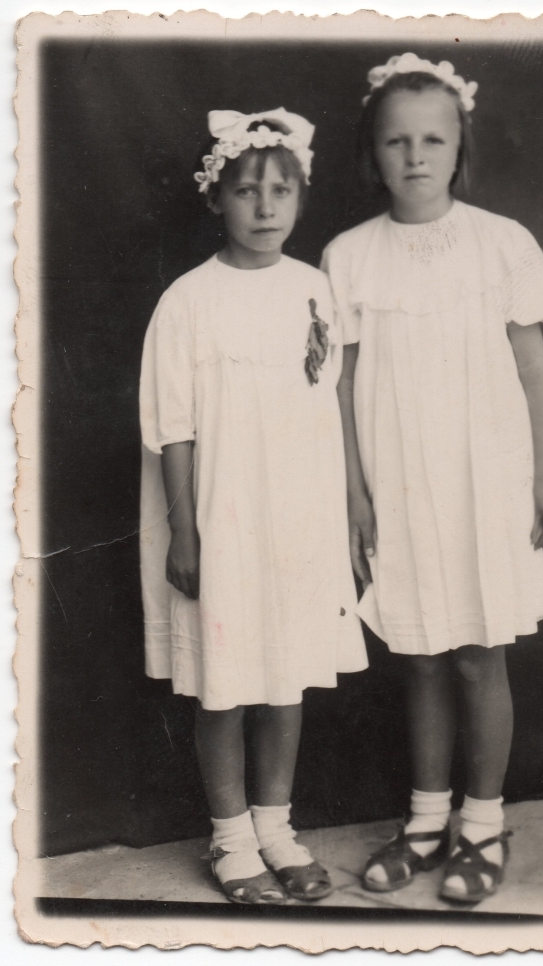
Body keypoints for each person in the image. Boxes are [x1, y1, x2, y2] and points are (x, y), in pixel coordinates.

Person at [322, 53, 543, 904]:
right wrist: (352, 491)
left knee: (476, 653)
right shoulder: (348, 256)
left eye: (432, 138)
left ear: (459, 146)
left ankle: (483, 821)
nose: (415, 156)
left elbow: (532, 365)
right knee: (419, 654)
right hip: (396, 478)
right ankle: (426, 819)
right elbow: (342, 382)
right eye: (397, 141)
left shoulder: (502, 243)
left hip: (483, 475)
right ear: (374, 153)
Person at [139, 108, 367, 905]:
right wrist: (185, 530)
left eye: (280, 191)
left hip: (297, 518)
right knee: (226, 683)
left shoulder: (314, 290)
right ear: (216, 200)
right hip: (221, 517)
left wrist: (348, 505)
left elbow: (328, 404)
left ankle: (275, 825)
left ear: (301, 200)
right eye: (246, 190)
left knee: (286, 678)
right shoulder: (187, 301)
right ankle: (231, 837)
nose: (265, 207)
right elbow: (172, 429)